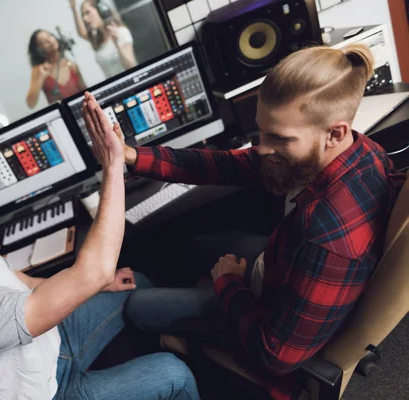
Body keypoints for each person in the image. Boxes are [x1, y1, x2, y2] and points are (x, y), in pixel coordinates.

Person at [86, 44, 407, 399]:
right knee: (198, 244)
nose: (261, 148)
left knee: (138, 306)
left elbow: (276, 355)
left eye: (279, 139)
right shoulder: (360, 150)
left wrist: (229, 285)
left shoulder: (328, 239)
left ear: (335, 132)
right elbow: (226, 164)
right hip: (281, 268)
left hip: (271, 326)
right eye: (262, 132)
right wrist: (131, 155)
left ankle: (194, 348)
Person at [0, 94, 200, 400]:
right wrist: (112, 166)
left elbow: (22, 282)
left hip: (54, 340)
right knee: (173, 373)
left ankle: (170, 335)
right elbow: (95, 272)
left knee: (132, 282)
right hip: (49, 393)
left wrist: (102, 285)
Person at [70, 0, 137, 78]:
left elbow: (131, 66)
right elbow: (82, 33)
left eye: (88, 13)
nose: (84, 19)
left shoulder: (121, 33)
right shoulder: (96, 37)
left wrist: (118, 46)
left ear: (101, 11)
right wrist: (73, 9)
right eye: (83, 15)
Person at [26, 29, 87, 109]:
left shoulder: (71, 65)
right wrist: (41, 78)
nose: (50, 40)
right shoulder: (39, 70)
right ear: (39, 50)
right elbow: (30, 103)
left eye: (50, 36)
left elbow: (86, 92)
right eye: (44, 42)